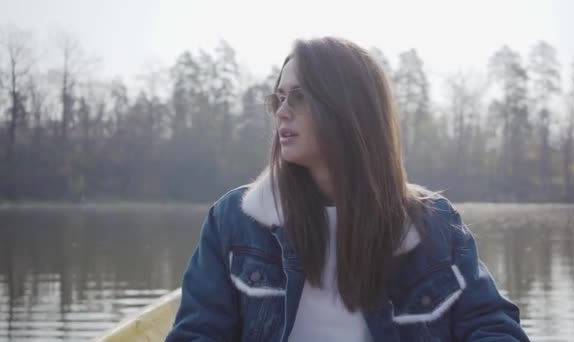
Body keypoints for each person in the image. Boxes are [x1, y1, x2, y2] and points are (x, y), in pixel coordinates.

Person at [165, 37, 529, 341]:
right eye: (279, 98)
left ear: (348, 108)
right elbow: (197, 334)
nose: (281, 112)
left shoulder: (433, 224)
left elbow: (494, 327)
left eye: (300, 96)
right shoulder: (235, 219)